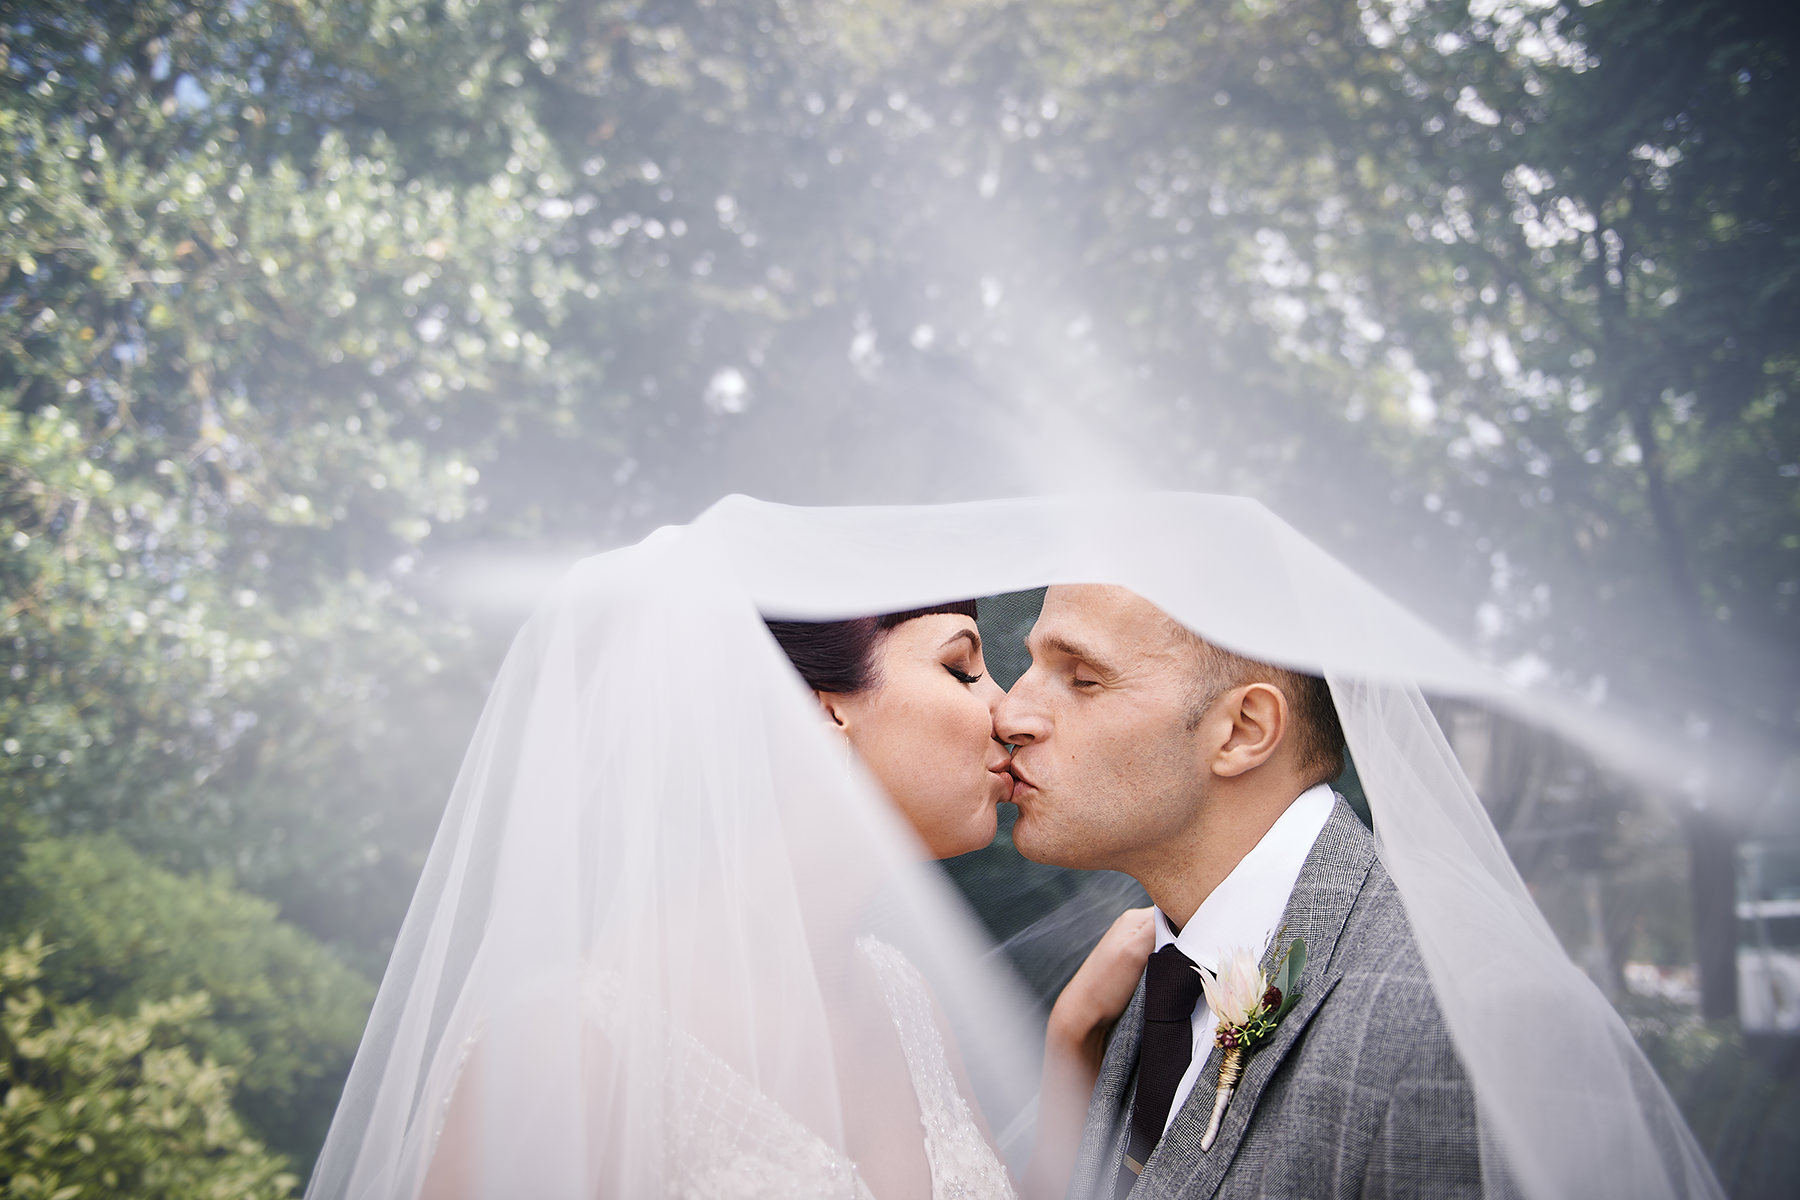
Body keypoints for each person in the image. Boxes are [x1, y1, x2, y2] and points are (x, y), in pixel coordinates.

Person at [312, 531, 1145, 1200]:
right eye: (961, 667)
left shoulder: (902, 998)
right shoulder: (567, 1045)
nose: (1007, 707)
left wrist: (1073, 1049)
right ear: (823, 711)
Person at [997, 583, 1478, 1198]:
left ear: (1243, 730)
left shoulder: (1436, 1025)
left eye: (1083, 678)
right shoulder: (1141, 985)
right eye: (1034, 664)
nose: (1011, 714)